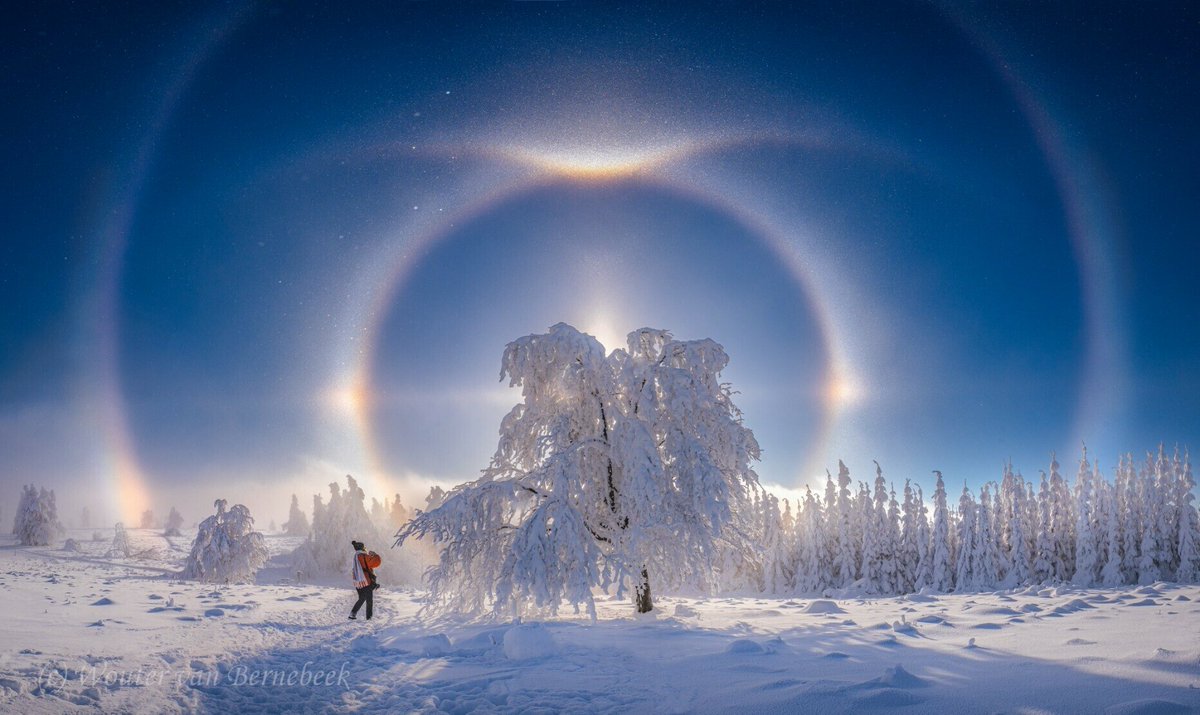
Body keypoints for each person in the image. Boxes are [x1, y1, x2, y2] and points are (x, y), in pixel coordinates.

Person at [349, 539, 376, 620]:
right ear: (362, 548)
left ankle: (353, 614)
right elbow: (375, 562)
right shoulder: (363, 556)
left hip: (358, 582)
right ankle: (369, 617)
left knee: (362, 598)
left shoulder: (356, 556)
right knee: (368, 599)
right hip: (366, 581)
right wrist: (375, 555)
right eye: (364, 547)